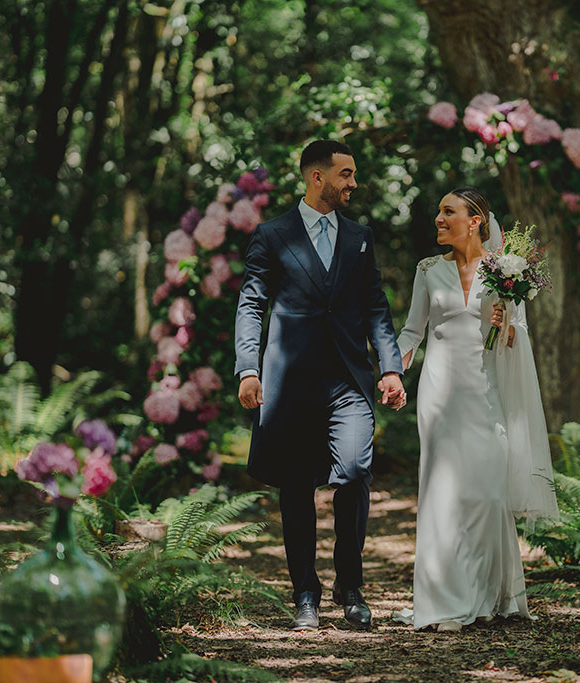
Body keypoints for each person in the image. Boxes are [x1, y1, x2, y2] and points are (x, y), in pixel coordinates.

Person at [233, 139, 406, 631]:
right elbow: (251, 303)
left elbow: (375, 305)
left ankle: (349, 586)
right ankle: (304, 591)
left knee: (353, 473)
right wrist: (249, 369)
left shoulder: (360, 236)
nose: (354, 183)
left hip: (349, 379)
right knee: (295, 488)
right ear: (317, 178)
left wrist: (389, 367)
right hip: (290, 383)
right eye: (346, 174)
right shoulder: (272, 234)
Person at [390, 187, 559, 632]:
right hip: (440, 391)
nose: (439, 219)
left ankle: (488, 593)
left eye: (449, 212)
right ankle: (445, 597)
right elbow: (412, 330)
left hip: (486, 391)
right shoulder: (428, 270)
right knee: (442, 493)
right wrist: (392, 369)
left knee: (487, 493)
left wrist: (506, 327)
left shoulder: (506, 272)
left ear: (477, 219)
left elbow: (516, 341)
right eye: (439, 211)